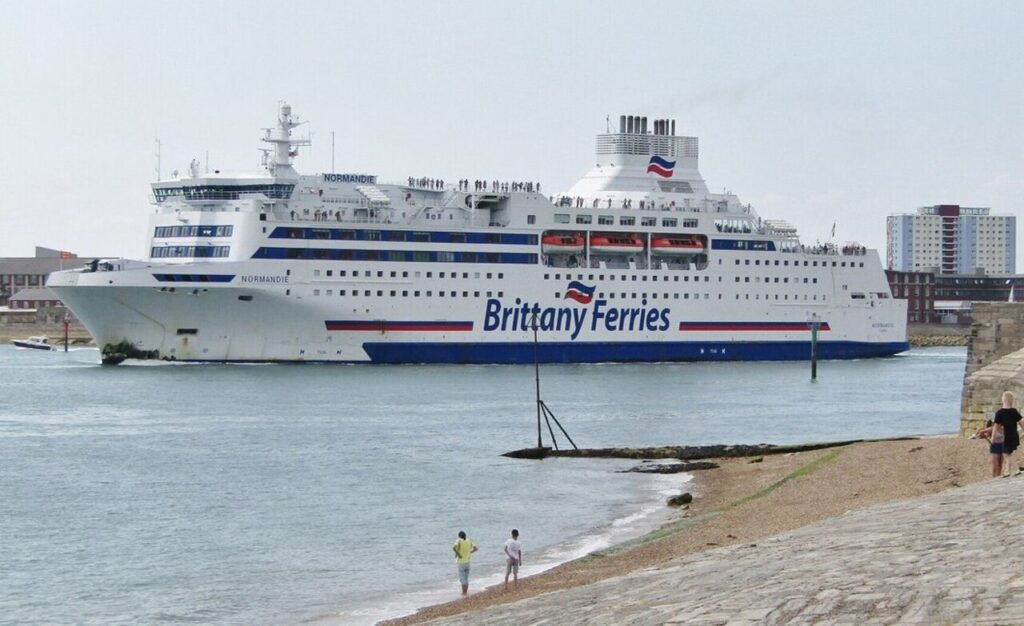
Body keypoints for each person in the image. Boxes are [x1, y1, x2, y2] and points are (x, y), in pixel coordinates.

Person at [995, 391, 1023, 476]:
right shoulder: (1014, 411)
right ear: (1012, 401)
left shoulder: (1000, 412)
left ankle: (1016, 468)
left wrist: (994, 436)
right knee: (1009, 452)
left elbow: (997, 426)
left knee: (1006, 453)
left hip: (1007, 436)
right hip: (1014, 435)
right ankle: (1007, 470)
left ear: (1003, 400)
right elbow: (1022, 421)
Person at [452, 530, 478, 595]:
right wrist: (470, 552)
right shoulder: (469, 540)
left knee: (462, 579)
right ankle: (465, 592)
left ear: (459, 536)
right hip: (468, 562)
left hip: (461, 562)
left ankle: (464, 592)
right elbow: (476, 548)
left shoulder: (459, 540)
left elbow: (453, 548)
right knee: (466, 578)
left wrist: (458, 554)